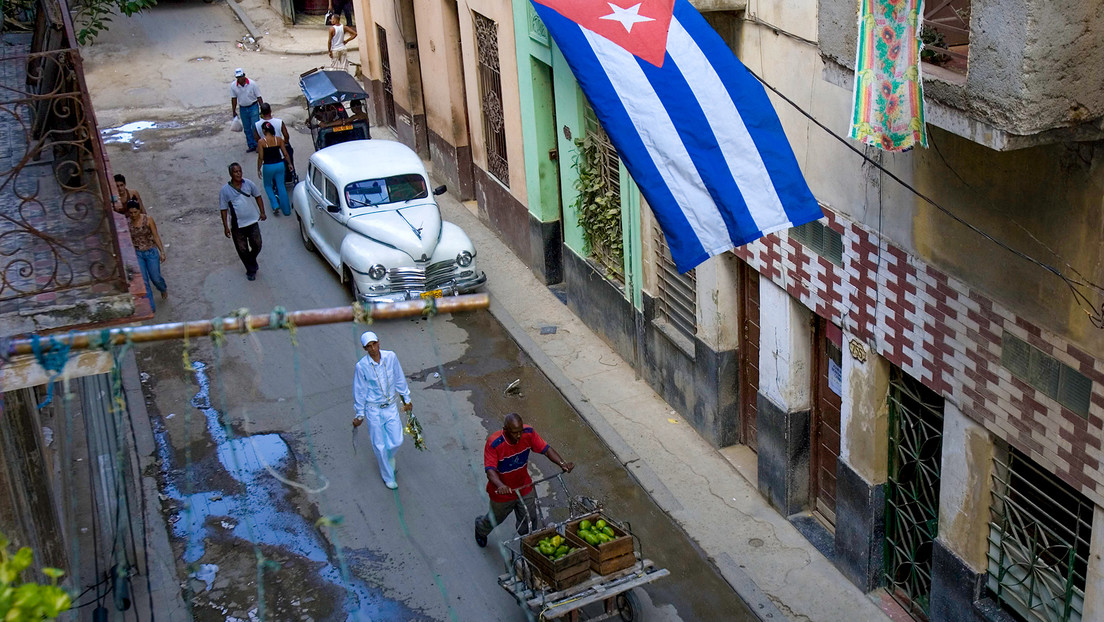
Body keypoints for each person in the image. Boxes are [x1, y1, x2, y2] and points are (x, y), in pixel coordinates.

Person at [474, 413, 574, 548]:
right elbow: (490, 471)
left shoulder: (528, 433)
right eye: (515, 433)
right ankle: (480, 528)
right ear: (506, 430)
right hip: (503, 493)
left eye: (520, 431)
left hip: (524, 486)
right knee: (496, 519)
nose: (519, 436)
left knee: (530, 519)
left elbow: (546, 449)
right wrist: (501, 485)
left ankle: (526, 545)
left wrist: (562, 463)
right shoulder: (495, 443)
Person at [352, 331, 412, 490]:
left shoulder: (391, 357)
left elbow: (399, 378)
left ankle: (388, 458)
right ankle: (388, 476)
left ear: (379, 342)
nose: (372, 349)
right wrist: (359, 414)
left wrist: (407, 399)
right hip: (373, 410)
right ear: (364, 348)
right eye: (368, 347)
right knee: (379, 445)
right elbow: (359, 391)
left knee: (397, 439)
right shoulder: (362, 366)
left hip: (391, 406)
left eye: (374, 344)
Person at [218, 163, 267, 281]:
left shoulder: (249, 184)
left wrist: (262, 212)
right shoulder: (225, 191)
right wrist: (226, 226)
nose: (238, 174)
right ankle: (251, 270)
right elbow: (223, 210)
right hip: (237, 226)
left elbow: (258, 196)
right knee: (242, 249)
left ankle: (251, 259)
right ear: (231, 174)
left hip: (252, 222)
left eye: (240, 171)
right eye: (235, 172)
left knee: (257, 244)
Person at [124, 198, 168, 311]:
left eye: (135, 212)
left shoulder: (148, 220)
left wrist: (162, 251)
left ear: (139, 210)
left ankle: (162, 288)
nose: (133, 215)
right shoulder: (127, 223)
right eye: (131, 213)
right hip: (138, 254)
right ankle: (150, 306)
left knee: (155, 277)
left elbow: (155, 236)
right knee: (144, 281)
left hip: (151, 252)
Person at [256, 122, 293, 217]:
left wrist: (258, 168)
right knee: (281, 186)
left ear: (264, 131)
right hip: (280, 165)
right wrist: (289, 163)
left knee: (268, 185)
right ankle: (287, 210)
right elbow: (285, 154)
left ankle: (275, 204)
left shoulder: (261, 142)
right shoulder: (279, 139)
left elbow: (261, 157)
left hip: (268, 166)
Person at [230, 68, 263, 153]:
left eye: (241, 77)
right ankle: (251, 145)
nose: (240, 79)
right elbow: (234, 99)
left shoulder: (252, 84)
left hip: (253, 106)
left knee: (254, 126)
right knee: (247, 128)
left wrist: (262, 108)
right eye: (238, 77)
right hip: (243, 108)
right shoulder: (234, 86)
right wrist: (233, 110)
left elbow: (259, 96)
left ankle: (258, 144)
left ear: (244, 75)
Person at [253, 102, 294, 171]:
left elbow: (256, 138)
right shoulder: (279, 122)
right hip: (279, 150)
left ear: (261, 113)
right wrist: (285, 142)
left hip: (266, 151)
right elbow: (286, 135)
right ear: (270, 111)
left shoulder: (257, 124)